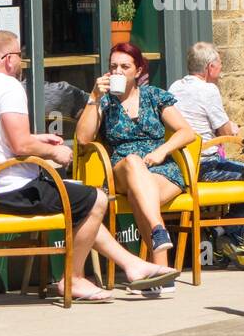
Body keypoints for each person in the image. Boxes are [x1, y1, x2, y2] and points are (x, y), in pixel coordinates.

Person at [0, 30, 178, 303]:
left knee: (83, 200)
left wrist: (35, 138)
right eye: (20, 57)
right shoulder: (8, 87)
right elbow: (21, 147)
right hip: (12, 188)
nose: (22, 63)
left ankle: (133, 265)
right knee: (95, 199)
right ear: (9, 59)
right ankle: (73, 279)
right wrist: (55, 152)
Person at [76, 42, 197, 296]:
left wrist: (162, 151)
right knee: (133, 162)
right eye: (113, 67)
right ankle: (158, 231)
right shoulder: (104, 101)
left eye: (124, 66)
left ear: (138, 69)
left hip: (160, 168)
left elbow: (187, 132)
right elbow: (83, 139)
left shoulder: (155, 96)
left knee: (140, 193)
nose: (117, 71)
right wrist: (93, 97)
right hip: (122, 168)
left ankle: (161, 275)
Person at [169, 41, 244, 268]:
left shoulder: (174, 87)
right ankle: (233, 236)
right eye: (219, 64)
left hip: (182, 166)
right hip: (206, 166)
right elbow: (224, 131)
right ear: (209, 67)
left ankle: (223, 235)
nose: (222, 69)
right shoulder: (208, 90)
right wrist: (233, 128)